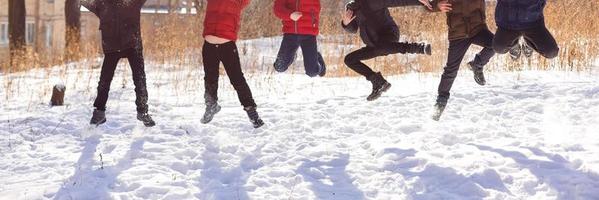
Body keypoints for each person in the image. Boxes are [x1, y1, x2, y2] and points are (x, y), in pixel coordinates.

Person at [82, 0, 155, 127]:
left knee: (140, 79)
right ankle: (99, 112)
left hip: (132, 44)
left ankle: (142, 111)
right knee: (105, 79)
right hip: (112, 46)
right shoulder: (102, 3)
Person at [342, 0, 432, 101]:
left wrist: (421, 2)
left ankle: (419, 48)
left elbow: (399, 2)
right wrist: (345, 23)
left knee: (382, 47)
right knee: (349, 59)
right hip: (373, 44)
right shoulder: (352, 6)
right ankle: (378, 82)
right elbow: (353, 29)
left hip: (389, 35)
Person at [424, 0, 496, 121]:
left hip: (478, 29)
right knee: (450, 70)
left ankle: (477, 64)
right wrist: (437, 6)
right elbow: (428, 6)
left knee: (497, 44)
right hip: (458, 34)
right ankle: (440, 103)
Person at [201, 0, 265, 128]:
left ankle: (251, 111)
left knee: (237, 79)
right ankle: (211, 105)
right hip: (208, 46)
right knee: (210, 78)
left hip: (227, 47)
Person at [273, 0, 326, 77]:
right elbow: (277, 9)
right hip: (290, 34)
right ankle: (292, 55)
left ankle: (319, 62)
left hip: (309, 33)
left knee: (312, 72)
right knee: (279, 67)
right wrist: (290, 15)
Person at [493, 0, 559, 60]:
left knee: (551, 52)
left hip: (533, 23)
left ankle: (529, 43)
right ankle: (514, 45)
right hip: (508, 23)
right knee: (499, 48)